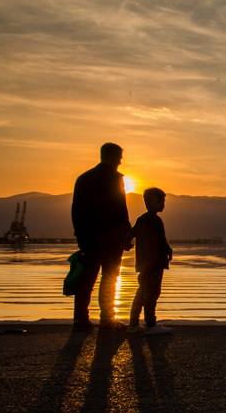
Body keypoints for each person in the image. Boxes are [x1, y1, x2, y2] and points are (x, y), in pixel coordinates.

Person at [71, 142, 132, 331]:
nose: (121, 161)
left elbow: (76, 210)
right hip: (111, 237)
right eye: (120, 157)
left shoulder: (83, 179)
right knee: (110, 277)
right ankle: (107, 319)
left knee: (87, 278)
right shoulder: (115, 179)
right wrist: (127, 235)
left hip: (88, 237)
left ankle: (80, 319)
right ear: (113, 157)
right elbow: (120, 209)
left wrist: (80, 235)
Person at [128, 187, 173, 335]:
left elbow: (132, 234)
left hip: (148, 263)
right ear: (151, 202)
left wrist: (168, 249)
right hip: (153, 264)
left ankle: (134, 323)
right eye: (161, 201)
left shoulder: (145, 220)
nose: (163, 204)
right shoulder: (152, 220)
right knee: (151, 293)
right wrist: (167, 250)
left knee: (143, 291)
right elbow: (160, 241)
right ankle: (150, 323)